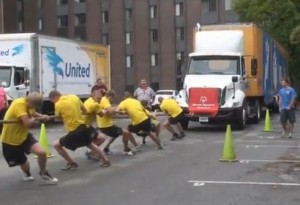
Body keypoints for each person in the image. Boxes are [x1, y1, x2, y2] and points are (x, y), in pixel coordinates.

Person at [0, 92, 58, 184]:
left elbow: (33, 112)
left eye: (31, 105)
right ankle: (27, 173)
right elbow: (28, 123)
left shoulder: (31, 106)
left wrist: (42, 116)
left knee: (42, 152)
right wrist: (36, 120)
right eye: (27, 103)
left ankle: (43, 173)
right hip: (10, 140)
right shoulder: (19, 104)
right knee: (24, 163)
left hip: (24, 136)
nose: (28, 105)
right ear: (27, 99)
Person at [49, 90, 111, 170]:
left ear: (55, 97)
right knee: (90, 144)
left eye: (52, 101)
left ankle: (71, 163)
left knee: (56, 145)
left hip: (74, 131)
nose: (53, 102)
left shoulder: (58, 104)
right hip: (83, 126)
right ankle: (106, 161)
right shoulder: (74, 97)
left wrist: (50, 118)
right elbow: (84, 111)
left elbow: (58, 118)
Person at [97, 89, 140, 156]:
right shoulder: (105, 100)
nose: (112, 100)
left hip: (105, 124)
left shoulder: (103, 99)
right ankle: (126, 149)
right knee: (126, 133)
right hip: (106, 125)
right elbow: (111, 112)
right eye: (113, 98)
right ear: (111, 96)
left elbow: (109, 110)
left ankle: (106, 148)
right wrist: (120, 112)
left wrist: (115, 109)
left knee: (115, 135)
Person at [83, 85, 110, 162]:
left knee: (97, 138)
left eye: (100, 98)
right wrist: (106, 110)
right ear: (92, 94)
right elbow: (101, 114)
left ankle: (91, 151)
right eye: (98, 98)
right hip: (85, 127)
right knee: (101, 138)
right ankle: (90, 151)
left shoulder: (88, 101)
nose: (99, 100)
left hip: (86, 125)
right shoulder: (95, 104)